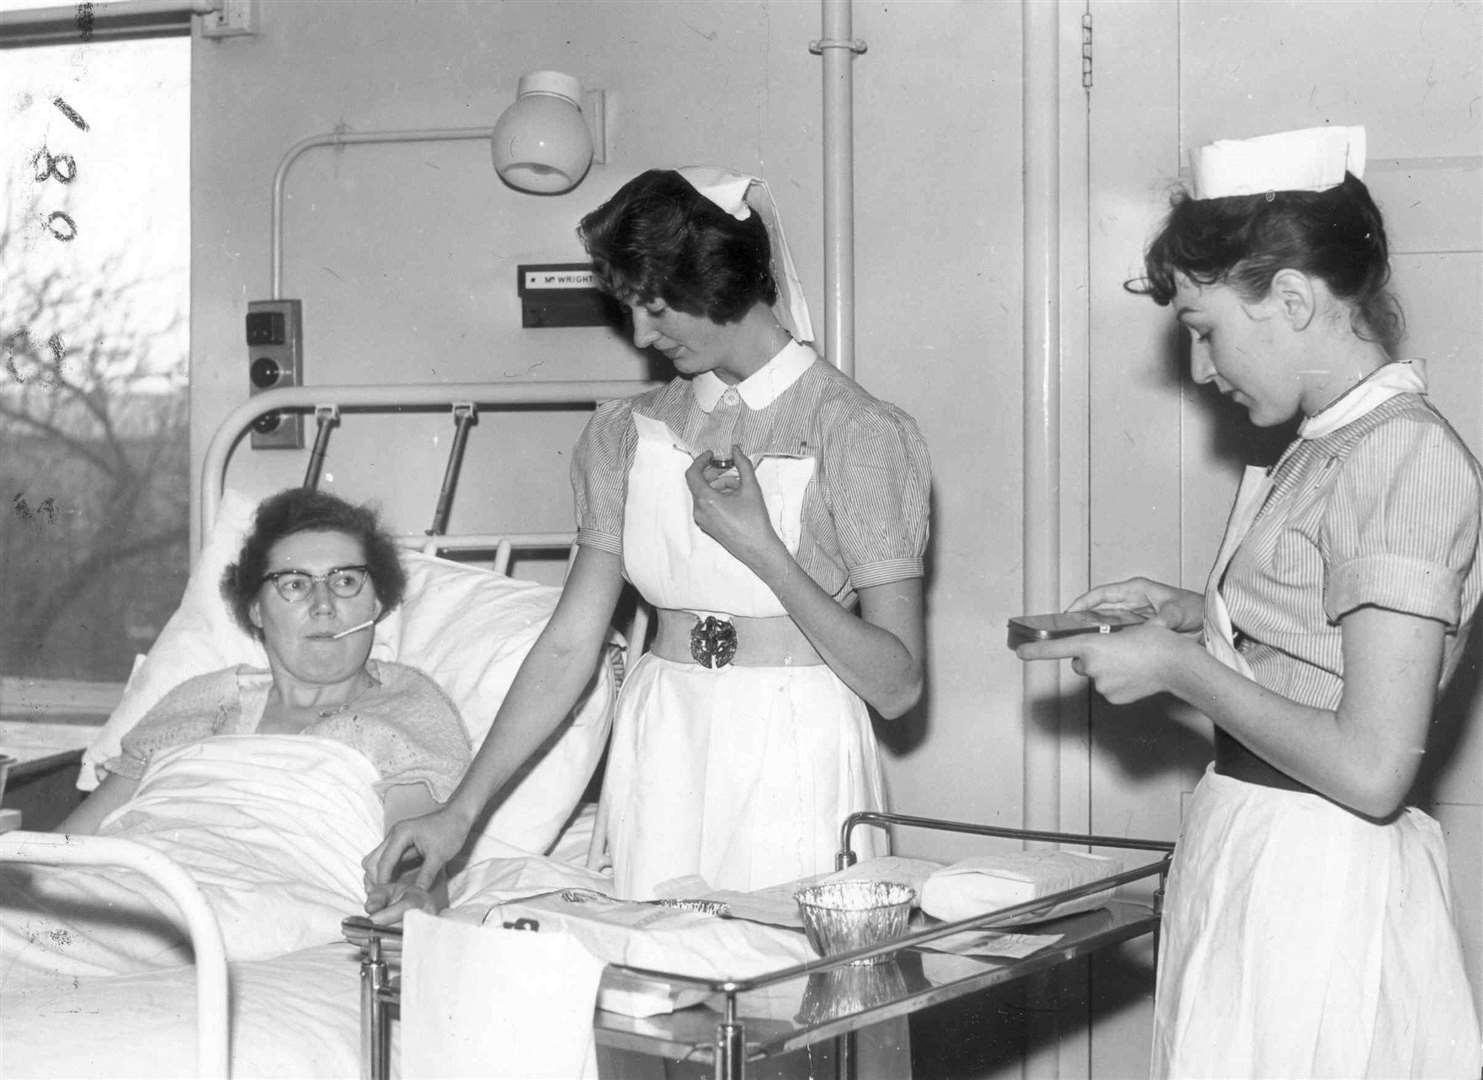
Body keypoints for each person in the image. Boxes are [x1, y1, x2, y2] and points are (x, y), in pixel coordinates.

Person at [1017, 125, 1482, 1078]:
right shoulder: (1329, 443)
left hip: (1320, 885)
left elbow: (1368, 768)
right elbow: (1322, 635)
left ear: (1296, 299)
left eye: (1205, 331)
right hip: (1261, 853)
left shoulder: (1401, 455)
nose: (1200, 370)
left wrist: (1181, 668)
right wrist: (1194, 610)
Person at [367, 166, 930, 904]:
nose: (639, 333)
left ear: (723, 281)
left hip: (795, 744)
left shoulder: (856, 432)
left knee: (782, 994)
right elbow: (569, 642)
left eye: (657, 306)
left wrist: (763, 550)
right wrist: (459, 814)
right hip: (661, 735)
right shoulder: (623, 434)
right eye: (629, 307)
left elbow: (897, 686)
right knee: (659, 996)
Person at [4, 487, 471, 987]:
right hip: (131, 880)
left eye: (346, 581)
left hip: (263, 898)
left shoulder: (404, 704)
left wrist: (410, 902)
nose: (323, 605)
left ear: (376, 602)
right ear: (254, 609)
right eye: (294, 584)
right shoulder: (198, 700)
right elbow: (66, 847)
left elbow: (413, 860)